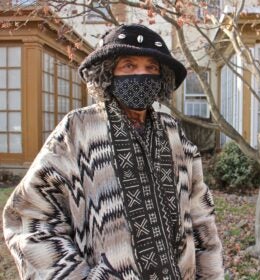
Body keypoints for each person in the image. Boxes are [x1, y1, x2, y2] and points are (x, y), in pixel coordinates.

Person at [3, 24, 224, 280]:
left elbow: (201, 214)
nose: (142, 74)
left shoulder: (175, 134)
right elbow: (30, 217)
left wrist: (210, 272)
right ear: (107, 73)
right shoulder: (77, 131)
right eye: (129, 65)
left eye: (151, 67)